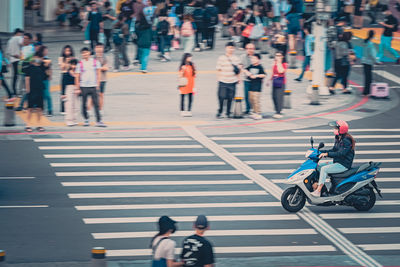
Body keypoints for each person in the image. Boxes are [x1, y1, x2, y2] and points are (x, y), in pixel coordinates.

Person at [311, 120, 356, 197]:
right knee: (318, 167)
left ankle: (318, 191)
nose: (334, 129)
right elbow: (334, 150)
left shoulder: (346, 140)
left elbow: (341, 153)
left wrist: (327, 154)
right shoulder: (338, 138)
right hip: (337, 162)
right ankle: (318, 185)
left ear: (341, 129)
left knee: (324, 169)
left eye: (336, 128)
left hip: (343, 165)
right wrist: (319, 152)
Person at [75, 47, 106, 127]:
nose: (85, 54)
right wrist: (77, 87)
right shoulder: (80, 64)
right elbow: (77, 76)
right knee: (84, 104)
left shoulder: (95, 62)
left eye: (86, 52)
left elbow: (98, 73)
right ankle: (86, 119)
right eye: (83, 53)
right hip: (83, 86)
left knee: (96, 104)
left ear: (89, 53)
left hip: (93, 86)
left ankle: (98, 121)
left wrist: (98, 84)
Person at [216, 42, 241, 119]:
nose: (231, 49)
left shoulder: (236, 59)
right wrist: (219, 78)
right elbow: (218, 69)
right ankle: (220, 111)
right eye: (229, 47)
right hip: (223, 81)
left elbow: (239, 70)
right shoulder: (221, 58)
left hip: (232, 81)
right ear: (226, 48)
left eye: (232, 48)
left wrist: (239, 78)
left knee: (231, 97)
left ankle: (228, 112)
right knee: (221, 96)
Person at [24, 52, 46, 132]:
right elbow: (27, 79)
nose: (37, 59)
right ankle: (28, 125)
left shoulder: (42, 67)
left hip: (40, 89)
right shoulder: (29, 67)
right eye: (36, 57)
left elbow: (46, 77)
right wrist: (27, 90)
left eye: (39, 57)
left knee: (39, 108)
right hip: (32, 90)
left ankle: (39, 125)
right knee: (30, 108)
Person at [15, 33, 35, 111]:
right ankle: (29, 105)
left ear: (29, 40)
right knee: (25, 90)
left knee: (26, 89)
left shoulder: (30, 48)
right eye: (24, 38)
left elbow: (24, 57)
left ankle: (21, 105)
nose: (24, 39)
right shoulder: (24, 47)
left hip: (27, 72)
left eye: (26, 38)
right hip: (22, 71)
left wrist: (20, 56)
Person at [244, 54, 265, 120]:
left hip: (257, 87)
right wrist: (249, 74)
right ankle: (254, 112)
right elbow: (244, 70)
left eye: (255, 59)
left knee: (256, 100)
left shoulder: (260, 67)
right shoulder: (251, 66)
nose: (253, 60)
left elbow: (263, 75)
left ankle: (258, 113)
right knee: (251, 100)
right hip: (251, 86)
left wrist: (256, 76)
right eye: (252, 59)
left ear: (259, 60)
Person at [6, 28, 24, 97]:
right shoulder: (19, 37)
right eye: (21, 33)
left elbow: (8, 52)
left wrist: (13, 55)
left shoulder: (10, 40)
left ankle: (14, 91)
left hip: (13, 60)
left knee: (15, 76)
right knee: (22, 75)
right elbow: (22, 43)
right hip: (19, 60)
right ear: (18, 33)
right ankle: (20, 92)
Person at [270, 51, 287, 119]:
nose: (277, 57)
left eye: (279, 55)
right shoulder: (274, 63)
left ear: (282, 56)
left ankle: (278, 111)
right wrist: (269, 80)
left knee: (279, 97)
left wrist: (279, 62)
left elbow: (281, 71)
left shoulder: (284, 64)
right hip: (275, 81)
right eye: (276, 55)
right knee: (273, 96)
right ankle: (277, 109)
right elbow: (273, 72)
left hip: (281, 82)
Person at [59, 45, 75, 114]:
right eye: (66, 51)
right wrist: (66, 62)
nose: (67, 52)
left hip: (71, 75)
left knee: (71, 91)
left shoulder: (73, 58)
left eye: (69, 51)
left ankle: (71, 107)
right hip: (64, 74)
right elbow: (62, 67)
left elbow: (74, 67)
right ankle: (63, 109)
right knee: (63, 92)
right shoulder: (61, 58)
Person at [37, 46, 53, 117]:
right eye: (45, 50)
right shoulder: (37, 58)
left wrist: (50, 75)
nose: (46, 52)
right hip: (39, 79)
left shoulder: (47, 59)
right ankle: (42, 109)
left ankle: (50, 110)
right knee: (41, 95)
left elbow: (49, 68)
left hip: (45, 79)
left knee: (47, 95)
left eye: (47, 51)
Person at [240, 43, 256, 114]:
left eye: (251, 48)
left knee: (254, 95)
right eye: (248, 49)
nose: (250, 50)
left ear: (254, 49)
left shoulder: (256, 56)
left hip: (255, 79)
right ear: (246, 49)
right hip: (246, 79)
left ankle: (255, 109)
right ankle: (248, 109)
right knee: (246, 95)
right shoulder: (242, 57)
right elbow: (241, 67)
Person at [361, 30, 378, 96]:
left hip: (364, 61)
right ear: (373, 35)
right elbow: (372, 54)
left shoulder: (365, 42)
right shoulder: (370, 44)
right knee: (369, 78)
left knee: (366, 77)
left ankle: (365, 91)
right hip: (369, 62)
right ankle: (367, 92)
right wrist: (377, 61)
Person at [64, 58, 79, 126]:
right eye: (72, 64)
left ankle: (75, 119)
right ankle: (69, 120)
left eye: (75, 65)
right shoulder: (66, 73)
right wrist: (63, 93)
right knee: (69, 105)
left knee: (75, 105)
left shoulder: (78, 73)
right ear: (70, 65)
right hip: (68, 88)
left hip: (75, 88)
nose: (74, 66)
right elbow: (63, 83)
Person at [94, 43, 108, 112]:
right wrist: (101, 67)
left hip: (103, 79)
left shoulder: (104, 57)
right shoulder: (93, 58)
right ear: (95, 48)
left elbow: (106, 68)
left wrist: (98, 68)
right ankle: (88, 109)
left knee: (101, 95)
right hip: (94, 79)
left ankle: (100, 109)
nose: (99, 49)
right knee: (93, 95)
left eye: (101, 47)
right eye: (97, 47)